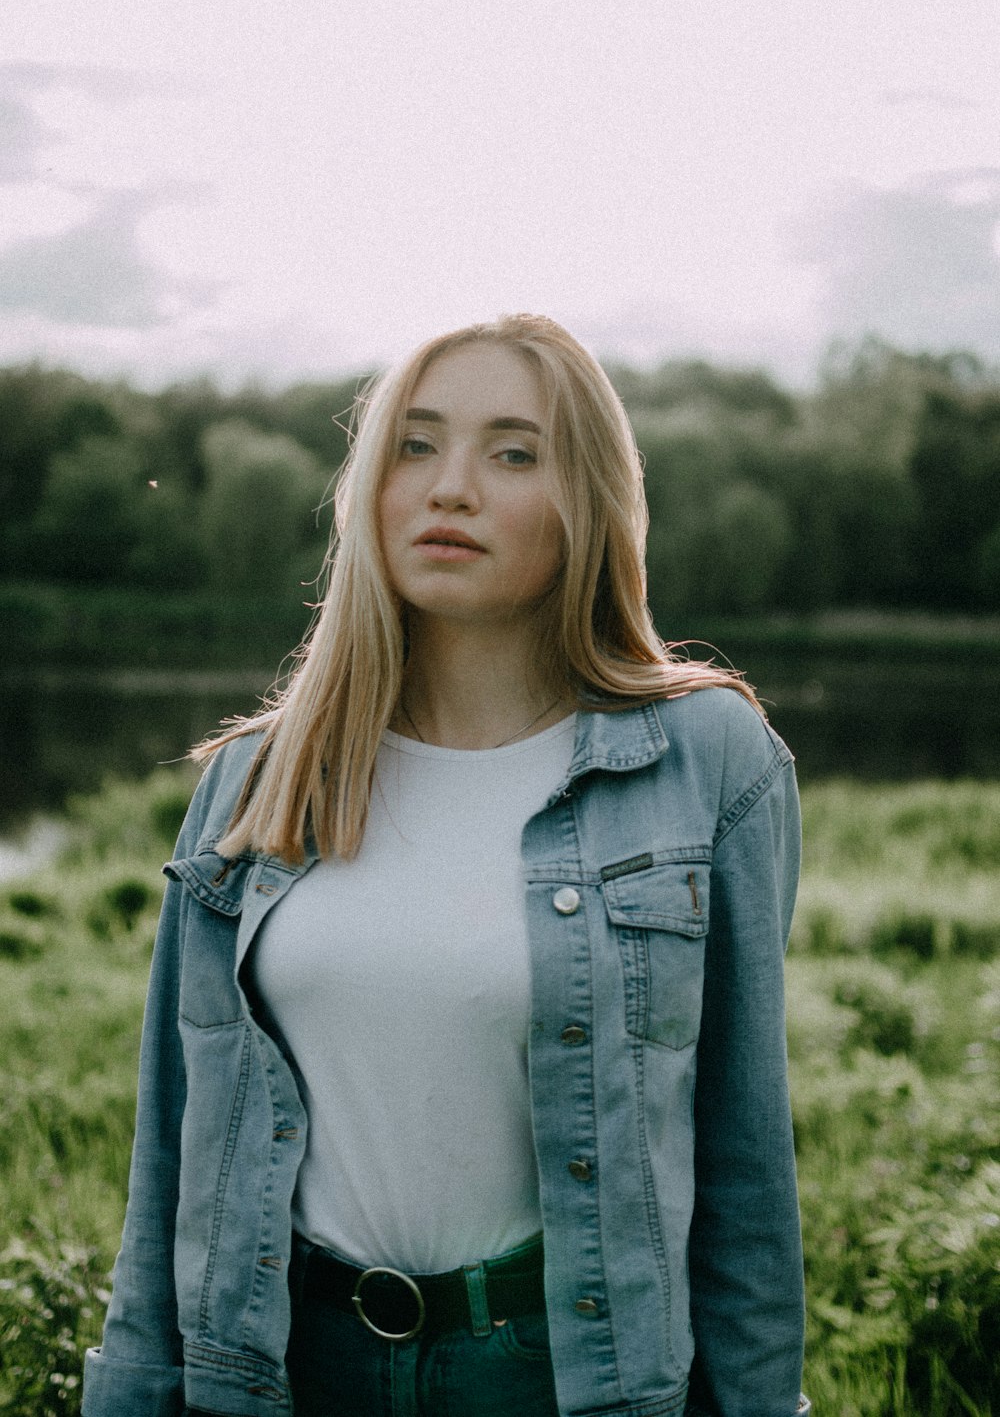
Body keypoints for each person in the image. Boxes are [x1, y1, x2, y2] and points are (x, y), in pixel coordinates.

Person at [83, 314, 809, 1417]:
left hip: (558, 1377)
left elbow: (744, 1166)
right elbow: (172, 1152)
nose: (450, 487)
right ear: (368, 486)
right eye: (414, 446)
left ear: (589, 503)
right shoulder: (256, 778)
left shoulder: (706, 760)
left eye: (512, 453)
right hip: (281, 1367)